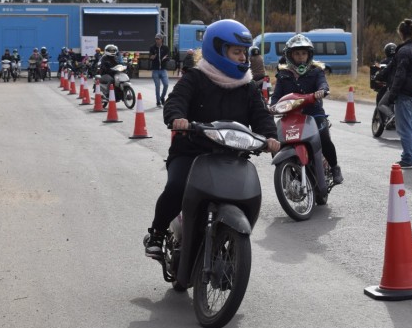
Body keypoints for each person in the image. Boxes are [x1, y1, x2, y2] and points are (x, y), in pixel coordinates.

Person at [144, 19, 281, 258]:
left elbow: (261, 115)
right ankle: (156, 233)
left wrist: (270, 136)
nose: (242, 58)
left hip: (231, 156)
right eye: (236, 51)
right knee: (176, 187)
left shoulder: (248, 86)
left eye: (244, 52)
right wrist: (177, 117)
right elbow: (176, 101)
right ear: (217, 50)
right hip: (191, 152)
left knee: (248, 196)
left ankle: (231, 244)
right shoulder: (195, 78)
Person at [270, 34, 344, 185]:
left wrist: (322, 91)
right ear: (289, 55)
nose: (301, 57)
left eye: (304, 53)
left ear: (309, 54)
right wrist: (272, 106)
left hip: (314, 114)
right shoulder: (283, 75)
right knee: (276, 141)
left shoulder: (316, 71)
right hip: (290, 116)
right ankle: (286, 169)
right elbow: (276, 96)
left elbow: (323, 85)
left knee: (324, 137)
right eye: (297, 53)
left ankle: (335, 167)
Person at [387, 19, 412, 169]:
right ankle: (409, 155)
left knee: (405, 128)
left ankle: (408, 158)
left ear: (401, 33)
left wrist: (392, 94)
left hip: (405, 94)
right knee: (408, 126)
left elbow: (400, 76)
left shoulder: (403, 51)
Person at [374, 42, 397, 119]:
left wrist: (377, 76)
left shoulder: (385, 62)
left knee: (381, 104)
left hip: (391, 85)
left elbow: (383, 73)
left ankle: (391, 116)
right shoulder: (400, 60)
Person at [148, 33, 170, 107]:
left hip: (163, 69)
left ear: (161, 40)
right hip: (155, 70)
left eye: (158, 39)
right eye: (156, 39)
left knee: (166, 84)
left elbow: (168, 56)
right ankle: (158, 101)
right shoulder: (152, 47)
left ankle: (162, 97)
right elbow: (150, 56)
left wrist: (165, 58)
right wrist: (152, 57)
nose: (157, 40)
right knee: (157, 86)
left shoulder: (165, 48)